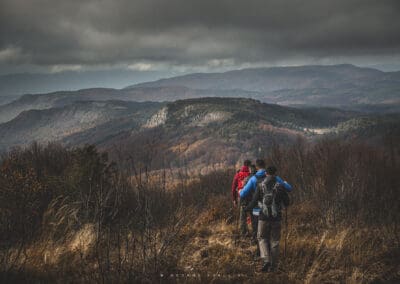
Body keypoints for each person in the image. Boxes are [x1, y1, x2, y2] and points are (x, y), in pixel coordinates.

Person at [240, 161, 292, 272]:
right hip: (276, 218)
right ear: (275, 174)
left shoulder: (260, 185)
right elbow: (287, 202)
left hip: (263, 217)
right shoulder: (280, 186)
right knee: (275, 241)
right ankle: (273, 267)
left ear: (266, 174)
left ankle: (266, 259)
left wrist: (246, 208)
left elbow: (254, 202)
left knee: (261, 238)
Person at [231, 160, 251, 236]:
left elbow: (233, 187)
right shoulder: (251, 174)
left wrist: (234, 199)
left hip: (241, 196)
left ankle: (243, 233)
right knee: (253, 214)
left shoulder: (238, 174)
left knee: (242, 215)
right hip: (251, 196)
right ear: (249, 166)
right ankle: (253, 232)